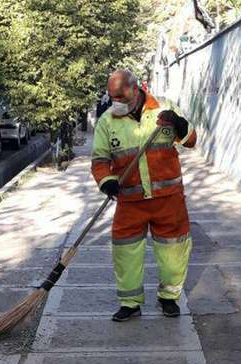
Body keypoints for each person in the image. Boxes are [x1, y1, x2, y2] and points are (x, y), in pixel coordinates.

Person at [91, 69, 197, 322]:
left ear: (135, 89)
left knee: (173, 251)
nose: (115, 102)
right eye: (111, 97)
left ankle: (169, 298)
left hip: (168, 199)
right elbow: (100, 160)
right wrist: (106, 182)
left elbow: (191, 140)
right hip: (130, 202)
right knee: (125, 252)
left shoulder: (164, 109)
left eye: (119, 96)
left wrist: (179, 124)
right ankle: (130, 303)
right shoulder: (107, 121)